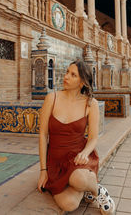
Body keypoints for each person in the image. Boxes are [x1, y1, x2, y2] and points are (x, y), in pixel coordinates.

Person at [37, 59, 115, 214]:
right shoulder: (52, 98)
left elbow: (93, 138)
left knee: (78, 179)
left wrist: (85, 153)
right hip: (56, 161)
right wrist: (43, 170)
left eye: (73, 75)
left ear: (82, 82)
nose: (66, 77)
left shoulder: (90, 104)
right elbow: (43, 134)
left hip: (78, 157)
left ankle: (97, 191)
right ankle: (84, 188)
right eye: (67, 72)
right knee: (69, 205)